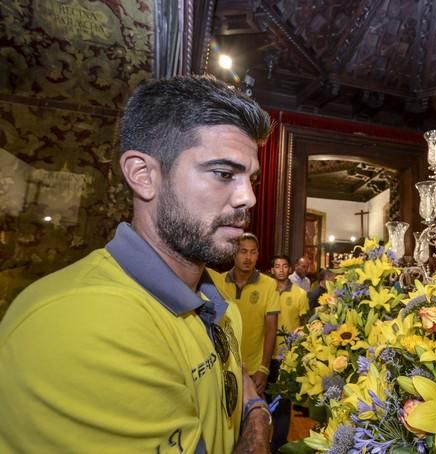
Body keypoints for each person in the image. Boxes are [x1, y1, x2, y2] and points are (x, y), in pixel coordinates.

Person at [0, 76, 273, 452]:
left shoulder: (216, 304)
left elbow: (236, 378)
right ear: (143, 175)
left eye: (251, 179)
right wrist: (259, 427)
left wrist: (256, 412)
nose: (249, 198)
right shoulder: (84, 326)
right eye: (224, 174)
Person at [209, 233, 279, 396]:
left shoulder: (269, 284)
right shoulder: (218, 281)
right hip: (223, 365)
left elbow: (271, 328)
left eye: (253, 252)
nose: (248, 257)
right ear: (234, 253)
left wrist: (264, 367)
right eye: (243, 251)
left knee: (254, 416)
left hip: (254, 368)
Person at [267, 254, 309, 453]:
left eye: (285, 266)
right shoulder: (266, 291)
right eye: (277, 266)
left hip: (287, 358)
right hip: (263, 355)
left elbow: (304, 327)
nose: (281, 270)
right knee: (261, 402)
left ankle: (278, 446)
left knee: (283, 405)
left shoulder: (300, 294)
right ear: (272, 270)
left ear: (289, 268)